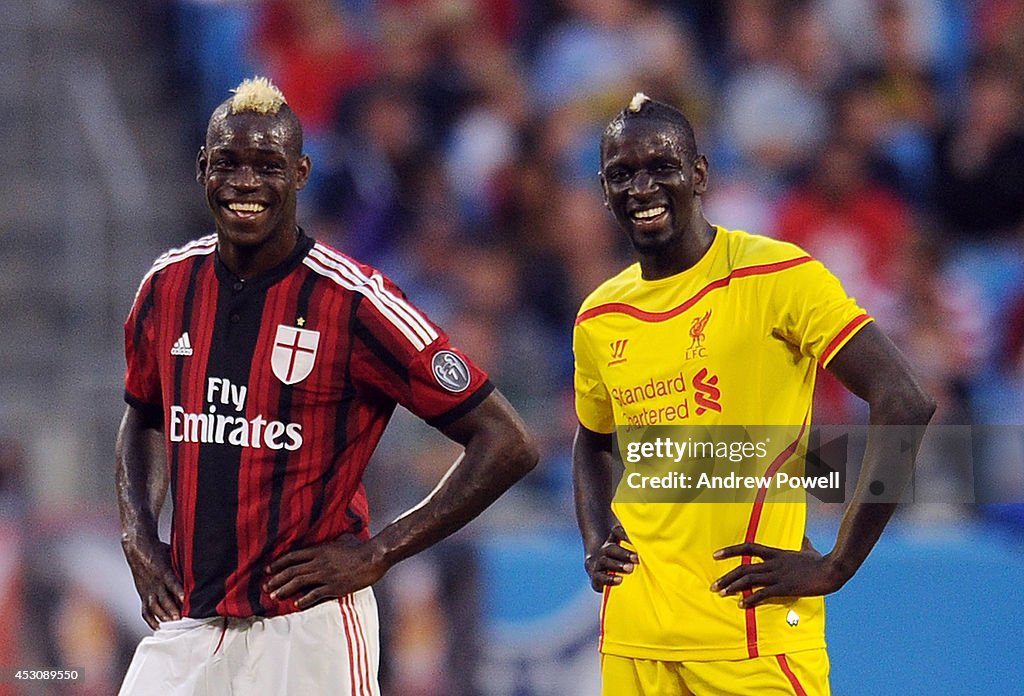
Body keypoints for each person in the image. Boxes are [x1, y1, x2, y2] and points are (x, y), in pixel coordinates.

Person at [115, 76, 538, 696]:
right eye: (228, 163)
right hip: (190, 621)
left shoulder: (355, 300)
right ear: (203, 169)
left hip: (307, 628)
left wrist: (380, 552)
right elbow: (145, 414)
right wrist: (137, 532)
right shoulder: (166, 285)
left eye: (268, 165)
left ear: (301, 173)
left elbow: (507, 440)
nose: (245, 182)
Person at [572, 93, 935, 695]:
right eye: (622, 174)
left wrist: (838, 563)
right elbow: (592, 441)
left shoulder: (778, 276)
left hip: (752, 634)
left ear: (699, 174)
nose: (642, 188)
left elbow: (906, 400)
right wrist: (594, 540)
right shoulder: (600, 315)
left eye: (662, 167)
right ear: (604, 190)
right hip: (635, 636)